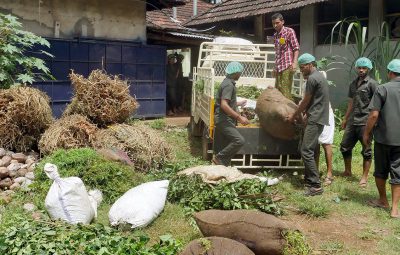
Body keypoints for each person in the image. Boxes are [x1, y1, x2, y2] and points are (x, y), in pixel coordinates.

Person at [287, 53, 330, 196]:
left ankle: (316, 185)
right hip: (316, 117)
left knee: (306, 151)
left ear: (310, 64)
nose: (301, 69)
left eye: (303, 67)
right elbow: (314, 101)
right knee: (310, 149)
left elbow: (306, 100)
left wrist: (294, 115)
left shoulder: (312, 78)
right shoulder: (319, 77)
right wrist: (305, 113)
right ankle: (309, 179)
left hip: (315, 119)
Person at [363, 59, 400, 218]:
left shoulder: (382, 88)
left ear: (390, 73)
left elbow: (374, 115)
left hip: (383, 138)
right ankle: (395, 209)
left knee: (380, 171)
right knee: (397, 173)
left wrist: (366, 133)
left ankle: (383, 200)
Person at [340, 57, 378, 187]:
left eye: (364, 68)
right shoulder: (353, 83)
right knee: (344, 146)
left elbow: (377, 104)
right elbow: (351, 102)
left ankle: (364, 177)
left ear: (369, 69)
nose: (361, 70)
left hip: (365, 121)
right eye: (359, 68)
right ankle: (347, 171)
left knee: (366, 150)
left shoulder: (372, 84)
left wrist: (375, 121)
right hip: (353, 121)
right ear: (356, 68)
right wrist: (345, 118)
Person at [212, 61, 249, 166]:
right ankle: (219, 158)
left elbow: (225, 102)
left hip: (221, 118)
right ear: (235, 72)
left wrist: (237, 103)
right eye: (240, 73)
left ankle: (221, 166)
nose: (240, 75)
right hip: (224, 119)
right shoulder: (229, 85)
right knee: (239, 140)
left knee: (223, 146)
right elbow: (224, 105)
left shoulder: (226, 82)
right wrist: (239, 117)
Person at [271, 13, 300, 101]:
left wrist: (294, 63)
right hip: (279, 67)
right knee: (278, 91)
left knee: (285, 91)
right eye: (273, 24)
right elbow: (277, 53)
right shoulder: (275, 35)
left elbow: (296, 48)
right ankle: (280, 113)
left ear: (282, 22)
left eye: (277, 23)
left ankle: (289, 113)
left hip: (287, 66)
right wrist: (275, 68)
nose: (275, 25)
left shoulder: (289, 31)